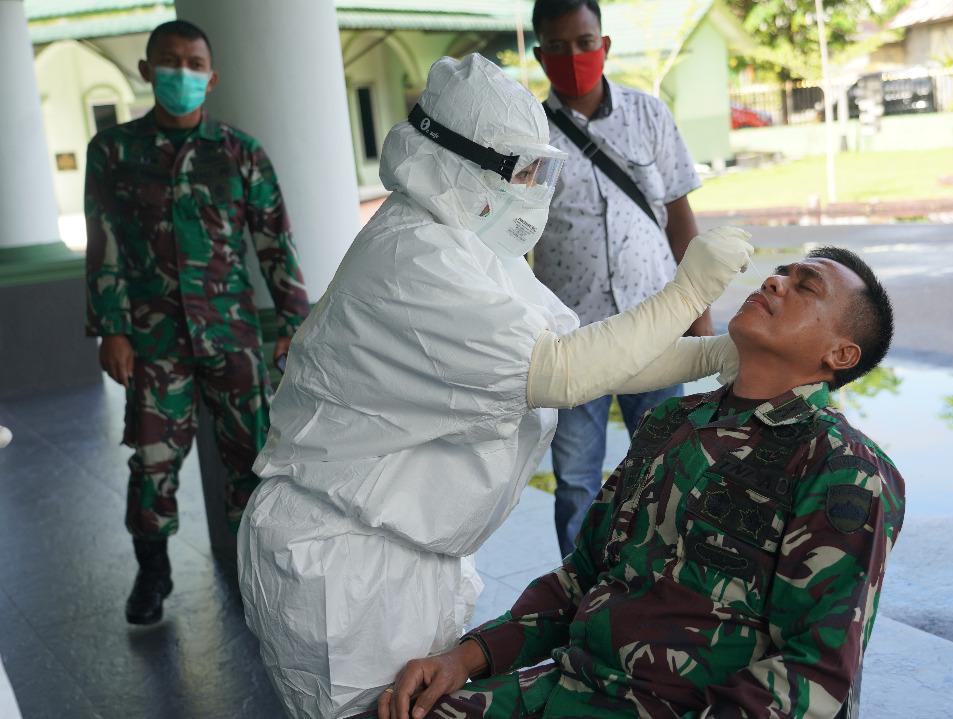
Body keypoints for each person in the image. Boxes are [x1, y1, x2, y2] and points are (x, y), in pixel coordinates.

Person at [237, 53, 753, 719]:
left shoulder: (470, 245)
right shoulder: (413, 256)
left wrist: (713, 351)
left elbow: (587, 353)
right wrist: (688, 291)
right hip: (342, 567)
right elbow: (562, 373)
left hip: (401, 555)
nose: (535, 188)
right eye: (524, 170)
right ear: (456, 159)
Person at [378, 246, 906, 719]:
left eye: (804, 286)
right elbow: (583, 574)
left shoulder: (842, 469)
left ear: (840, 355)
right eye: (778, 274)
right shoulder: (672, 422)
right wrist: (465, 657)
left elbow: (812, 672)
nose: (774, 283)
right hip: (562, 688)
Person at [84, 19, 309, 626]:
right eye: (169, 61)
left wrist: (293, 321)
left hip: (231, 334)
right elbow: (102, 243)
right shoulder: (114, 152)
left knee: (254, 460)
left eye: (192, 63)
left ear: (210, 78)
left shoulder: (240, 152)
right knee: (152, 461)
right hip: (154, 341)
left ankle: (258, 574)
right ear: (146, 70)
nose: (181, 72)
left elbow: (274, 243)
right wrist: (113, 328)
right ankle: (152, 572)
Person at [531, 0, 710, 557]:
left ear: (603, 45)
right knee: (578, 483)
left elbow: (679, 216)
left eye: (584, 42)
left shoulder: (650, 115)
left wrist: (699, 311)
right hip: (573, 338)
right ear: (540, 55)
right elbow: (512, 244)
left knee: (667, 473)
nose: (574, 56)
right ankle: (577, 599)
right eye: (557, 47)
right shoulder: (529, 137)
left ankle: (663, 586)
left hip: (654, 323)